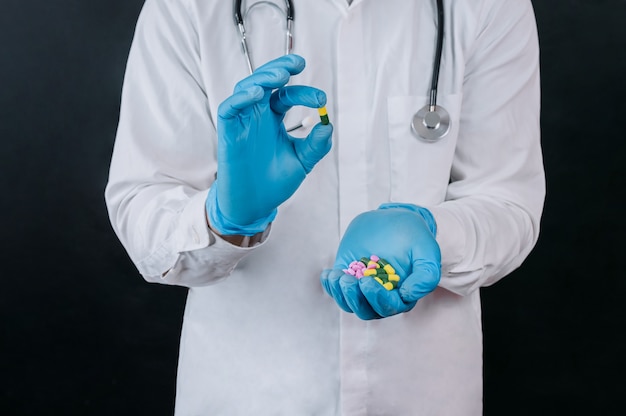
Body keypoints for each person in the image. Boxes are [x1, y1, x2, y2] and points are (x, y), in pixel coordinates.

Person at [105, 0, 545, 414]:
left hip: (424, 395)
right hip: (248, 395)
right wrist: (226, 218)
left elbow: (509, 201)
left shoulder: (488, 6)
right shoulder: (186, 8)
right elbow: (142, 208)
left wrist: (432, 230)